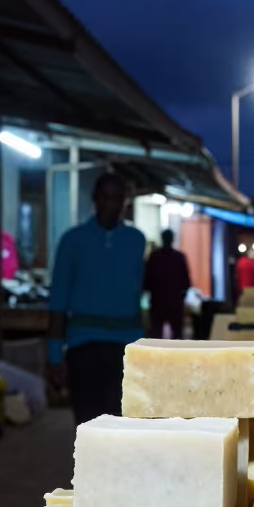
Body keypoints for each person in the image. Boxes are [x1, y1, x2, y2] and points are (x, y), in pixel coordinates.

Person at [48, 173, 146, 425]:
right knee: (88, 423)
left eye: (116, 198)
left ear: (124, 202)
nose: (110, 204)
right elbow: (58, 299)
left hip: (127, 346)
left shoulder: (136, 240)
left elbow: (138, 294)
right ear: (95, 200)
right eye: (104, 197)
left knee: (123, 423)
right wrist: (54, 356)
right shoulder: (73, 241)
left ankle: (116, 465)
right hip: (84, 345)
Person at [144, 229, 191, 339]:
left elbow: (146, 280)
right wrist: (181, 297)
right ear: (172, 239)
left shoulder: (154, 256)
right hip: (175, 302)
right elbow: (186, 282)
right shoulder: (179, 257)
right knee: (177, 336)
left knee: (156, 334)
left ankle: (155, 355)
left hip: (157, 302)